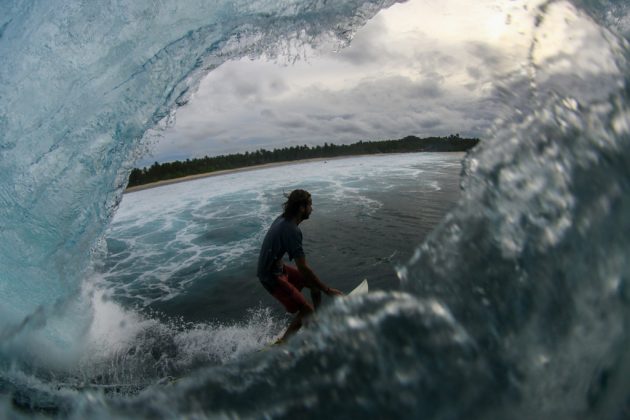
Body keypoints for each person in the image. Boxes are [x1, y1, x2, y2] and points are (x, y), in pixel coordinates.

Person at [257, 189, 343, 343]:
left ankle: (314, 321)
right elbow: (303, 267)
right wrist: (328, 290)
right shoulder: (292, 230)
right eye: (310, 205)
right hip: (269, 276)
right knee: (307, 309)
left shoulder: (283, 219)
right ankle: (282, 345)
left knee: (313, 285)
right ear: (301, 208)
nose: (312, 208)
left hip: (277, 268)